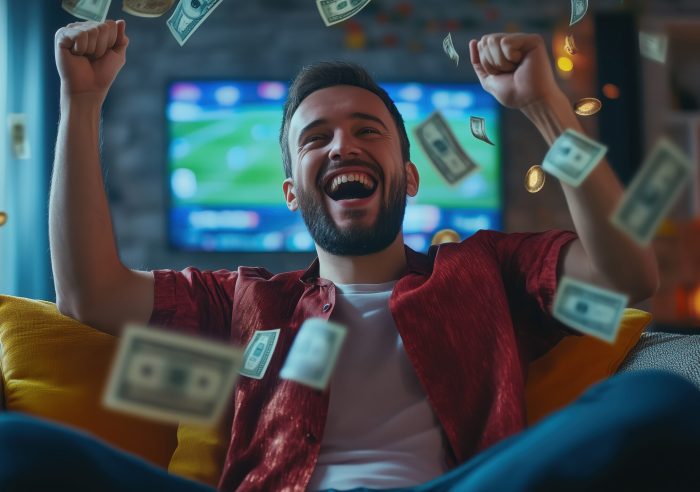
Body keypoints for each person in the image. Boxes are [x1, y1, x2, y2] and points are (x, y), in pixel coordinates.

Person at [0, 18, 699, 492]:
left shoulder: (488, 270)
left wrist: (545, 105)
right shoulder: (242, 301)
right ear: (289, 190)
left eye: (367, 130)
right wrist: (82, 99)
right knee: (18, 448)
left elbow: (626, 276)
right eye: (315, 139)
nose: (342, 147)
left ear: (411, 176)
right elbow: (90, 293)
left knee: (660, 400)